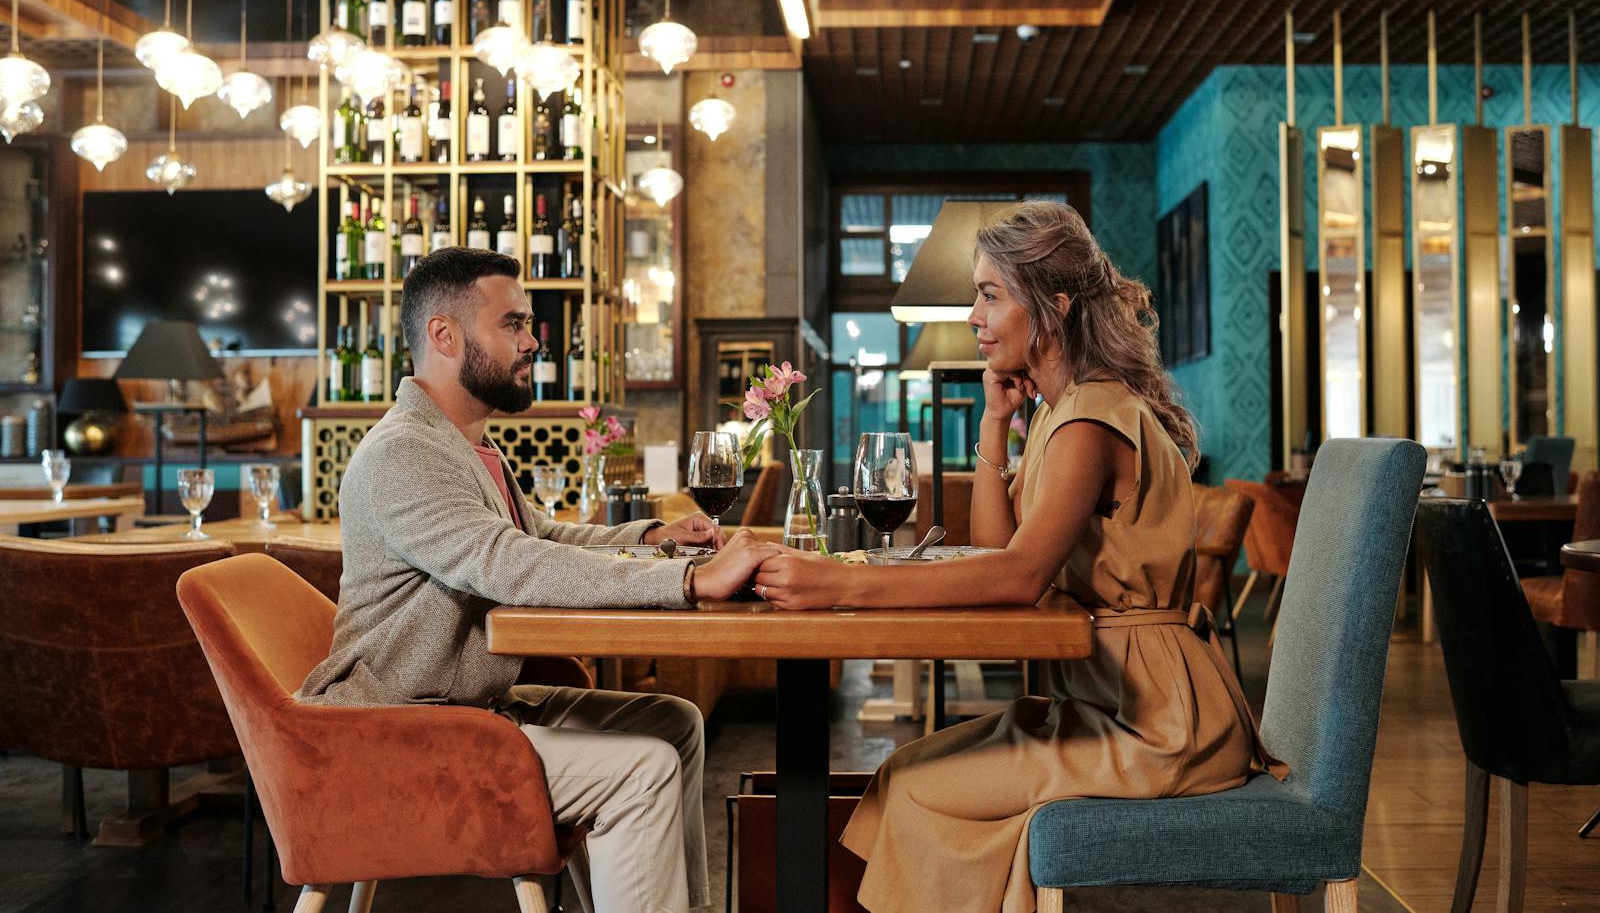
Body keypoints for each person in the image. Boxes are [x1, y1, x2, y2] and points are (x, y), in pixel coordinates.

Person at [753, 202, 1285, 912]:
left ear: (1053, 307)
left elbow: (1016, 575)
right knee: (898, 773)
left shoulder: (1092, 417)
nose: (972, 314)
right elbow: (997, 548)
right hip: (1106, 699)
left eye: (990, 294)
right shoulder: (1060, 413)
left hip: (1160, 721)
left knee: (915, 788)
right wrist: (997, 424)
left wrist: (834, 581)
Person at [299, 248, 779, 913]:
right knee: (643, 769)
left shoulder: (468, 444)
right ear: (445, 334)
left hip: (467, 711)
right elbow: (509, 563)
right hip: (399, 732)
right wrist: (690, 584)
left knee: (673, 722)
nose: (533, 342)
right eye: (514, 324)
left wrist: (652, 541)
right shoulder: (404, 450)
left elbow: (541, 540)